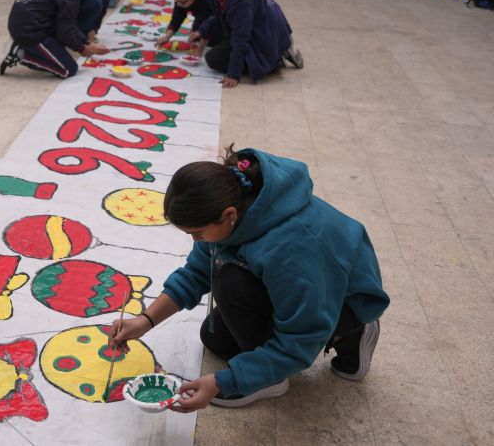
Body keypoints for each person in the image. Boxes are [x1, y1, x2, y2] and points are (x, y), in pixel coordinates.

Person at [108, 145, 390, 409]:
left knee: (229, 282)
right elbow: (196, 272)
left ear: (228, 215)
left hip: (338, 302)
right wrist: (145, 321)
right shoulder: (233, 206)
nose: (196, 240)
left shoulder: (291, 248)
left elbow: (300, 341)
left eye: (197, 233)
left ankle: (352, 332)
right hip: (296, 288)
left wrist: (224, 382)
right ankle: (265, 368)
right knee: (214, 337)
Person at [190, 0, 302, 88]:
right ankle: (279, 50)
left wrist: (233, 74)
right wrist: (202, 31)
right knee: (217, 39)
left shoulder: (241, 3)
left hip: (266, 36)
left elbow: (240, 38)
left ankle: (275, 60)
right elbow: (219, 17)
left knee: (214, 59)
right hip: (262, 29)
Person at [0, 0, 110, 78]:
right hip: (31, 31)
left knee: (62, 48)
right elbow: (64, 29)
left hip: (22, 24)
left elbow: (66, 25)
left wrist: (86, 42)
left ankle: (22, 46)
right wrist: (82, 48)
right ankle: (19, 53)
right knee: (69, 69)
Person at [156, 0, 220, 55]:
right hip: (200, 14)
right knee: (195, 37)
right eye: (176, 1)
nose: (179, 4)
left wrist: (199, 50)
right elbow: (176, 19)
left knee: (211, 40)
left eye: (182, 2)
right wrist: (167, 37)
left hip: (218, 18)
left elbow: (210, 22)